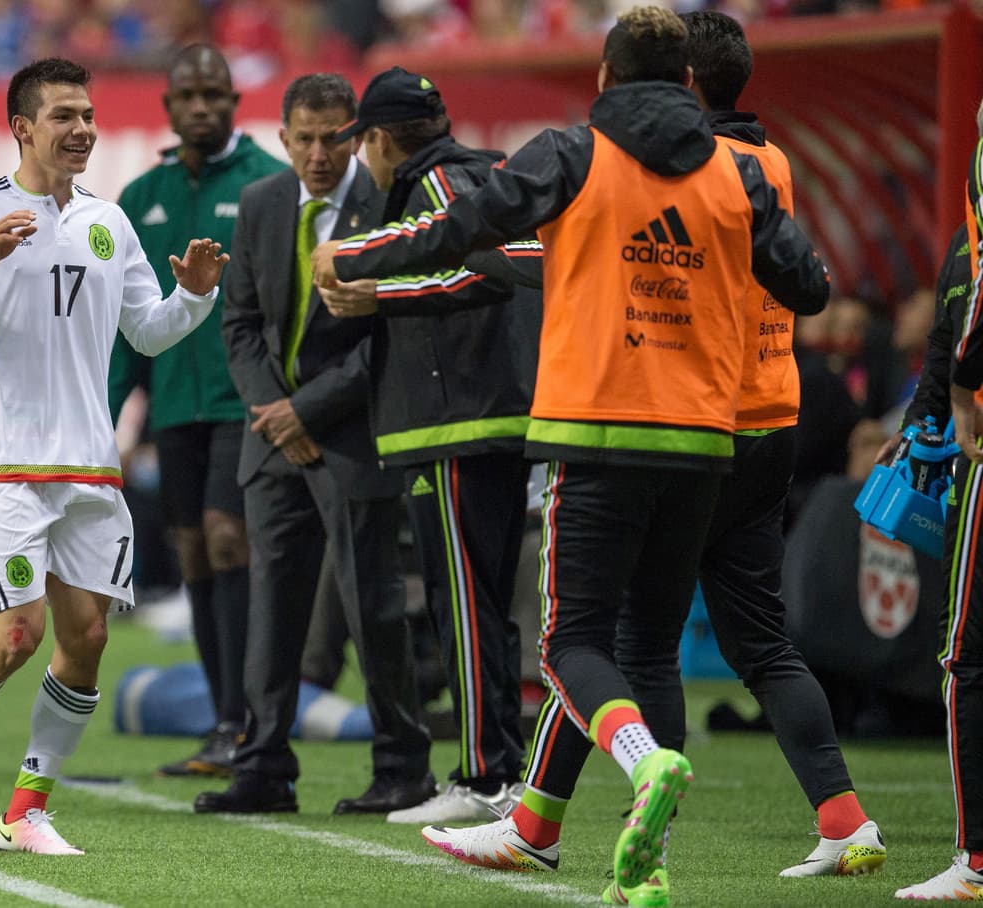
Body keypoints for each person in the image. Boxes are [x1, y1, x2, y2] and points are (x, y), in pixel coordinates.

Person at [313, 6, 829, 891]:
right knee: (652, 648)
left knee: (569, 646)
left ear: (604, 76)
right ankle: (642, 867)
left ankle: (643, 764)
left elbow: (464, 225)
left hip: (597, 429)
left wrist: (353, 258)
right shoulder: (735, 172)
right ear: (686, 83)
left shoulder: (573, 152)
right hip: (705, 438)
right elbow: (809, 286)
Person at [0, 57, 227, 855]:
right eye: (63, 116)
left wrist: (196, 296)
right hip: (4, 463)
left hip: (90, 465)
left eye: (88, 114)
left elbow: (146, 331)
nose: (82, 129)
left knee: (89, 641)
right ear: (21, 127)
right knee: (17, 637)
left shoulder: (107, 222)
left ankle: (25, 811)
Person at [604, 12, 884, 902]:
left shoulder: (696, 166)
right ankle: (846, 820)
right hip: (775, 414)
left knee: (637, 635)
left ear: (681, 85)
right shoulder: (776, 162)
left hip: (701, 419)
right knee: (761, 640)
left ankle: (645, 833)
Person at [197, 72, 433, 815]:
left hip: (352, 435)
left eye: (334, 137)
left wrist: (307, 412)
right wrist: (274, 411)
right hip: (273, 438)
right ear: (282, 140)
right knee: (272, 608)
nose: (318, 154)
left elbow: (390, 333)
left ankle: (402, 765)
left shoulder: (389, 206)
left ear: (358, 135)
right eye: (303, 139)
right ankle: (263, 765)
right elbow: (238, 322)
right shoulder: (264, 204)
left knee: (373, 604)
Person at [319, 66, 538, 825]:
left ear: (378, 139)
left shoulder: (441, 181)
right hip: (484, 418)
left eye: (364, 143)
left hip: (457, 423)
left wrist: (381, 292)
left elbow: (500, 271)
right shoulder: (481, 172)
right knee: (481, 602)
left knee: (465, 602)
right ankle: (499, 768)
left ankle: (485, 778)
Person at [110, 44, 285, 778]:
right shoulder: (140, 195)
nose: (204, 106)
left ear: (235, 103)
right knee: (189, 553)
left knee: (225, 539)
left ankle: (247, 722)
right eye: (191, 96)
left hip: (243, 401)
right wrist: (107, 414)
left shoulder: (268, 186)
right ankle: (224, 724)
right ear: (169, 107)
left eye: (217, 93)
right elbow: (120, 320)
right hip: (173, 404)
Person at [892, 102, 983, 899]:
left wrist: (959, 398)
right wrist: (922, 418)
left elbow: (969, 331)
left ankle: (977, 859)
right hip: (962, 441)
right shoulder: (962, 240)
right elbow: (945, 334)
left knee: (967, 653)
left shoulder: (978, 215)